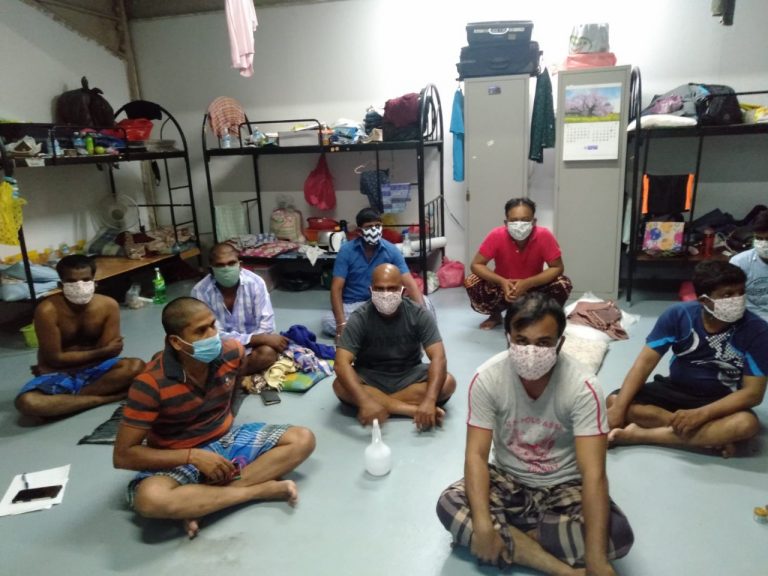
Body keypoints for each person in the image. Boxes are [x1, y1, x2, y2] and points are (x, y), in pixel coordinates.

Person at [436, 293, 633, 576]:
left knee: (617, 534)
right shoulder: (488, 378)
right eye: (522, 340)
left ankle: (505, 539)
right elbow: (476, 456)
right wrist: (480, 522)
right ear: (508, 338)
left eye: (543, 343)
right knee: (448, 503)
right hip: (509, 481)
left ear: (560, 343)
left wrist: (597, 561)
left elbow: (593, 474)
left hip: (563, 487)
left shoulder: (582, 387)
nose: (531, 351)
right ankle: (561, 568)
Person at [113, 297, 315, 539]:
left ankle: (205, 501)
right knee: (150, 499)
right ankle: (257, 491)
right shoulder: (150, 384)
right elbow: (123, 455)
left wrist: (225, 421)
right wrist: (193, 456)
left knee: (303, 439)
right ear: (177, 342)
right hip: (179, 455)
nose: (213, 335)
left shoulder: (232, 352)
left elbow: (234, 389)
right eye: (201, 331)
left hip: (226, 438)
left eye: (212, 325)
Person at [607, 260, 768, 457]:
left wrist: (703, 414)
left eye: (741, 292)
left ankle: (641, 435)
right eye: (728, 295)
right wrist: (619, 409)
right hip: (676, 389)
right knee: (615, 401)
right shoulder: (679, 315)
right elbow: (644, 364)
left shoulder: (757, 330)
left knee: (746, 425)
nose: (738, 299)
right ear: (704, 301)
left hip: (721, 399)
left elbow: (753, 394)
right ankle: (708, 438)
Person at [15, 254, 144, 420]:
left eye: (85, 279)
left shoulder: (108, 305)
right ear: (60, 285)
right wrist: (100, 351)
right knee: (28, 402)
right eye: (72, 281)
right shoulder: (47, 310)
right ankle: (105, 398)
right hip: (59, 373)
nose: (79, 285)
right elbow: (55, 358)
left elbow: (112, 353)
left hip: (96, 371)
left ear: (94, 282)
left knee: (135, 367)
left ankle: (63, 403)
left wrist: (98, 353)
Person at [333, 263, 455, 429]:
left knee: (448, 382)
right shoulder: (360, 317)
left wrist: (429, 400)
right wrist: (364, 400)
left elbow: (439, 357)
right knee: (339, 386)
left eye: (391, 288)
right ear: (371, 291)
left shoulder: (419, 314)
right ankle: (411, 410)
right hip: (370, 376)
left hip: (409, 374)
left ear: (402, 291)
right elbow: (341, 363)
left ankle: (381, 406)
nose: (385, 294)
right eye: (379, 289)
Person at [322, 207, 430, 342]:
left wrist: (424, 318)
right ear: (359, 231)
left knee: (425, 303)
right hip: (355, 305)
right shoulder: (346, 251)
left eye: (377, 226)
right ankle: (387, 330)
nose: (374, 230)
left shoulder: (391, 250)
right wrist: (341, 324)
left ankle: (368, 331)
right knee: (328, 321)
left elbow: (409, 283)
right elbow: (336, 288)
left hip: (384, 300)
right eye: (369, 227)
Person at [465, 197, 572, 330]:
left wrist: (528, 283)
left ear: (534, 221)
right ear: (506, 222)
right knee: (472, 280)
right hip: (503, 289)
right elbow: (476, 264)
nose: (519, 224)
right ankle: (495, 315)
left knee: (563, 283)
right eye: (514, 220)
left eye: (525, 220)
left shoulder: (544, 235)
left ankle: (543, 318)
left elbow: (557, 267)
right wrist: (502, 282)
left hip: (534, 289)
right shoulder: (496, 235)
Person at [191, 242, 287, 374]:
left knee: (267, 354)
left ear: (240, 265)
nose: (226, 268)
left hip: (252, 348)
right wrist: (258, 339)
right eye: (220, 265)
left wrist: (258, 340)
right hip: (220, 349)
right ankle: (235, 375)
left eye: (231, 263)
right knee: (198, 355)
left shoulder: (255, 283)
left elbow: (266, 326)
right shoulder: (200, 291)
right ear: (210, 269)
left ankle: (225, 377)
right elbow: (211, 335)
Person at [730, 208, 768, 322]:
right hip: (750, 319)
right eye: (759, 238)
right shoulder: (739, 263)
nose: (764, 244)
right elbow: (734, 302)